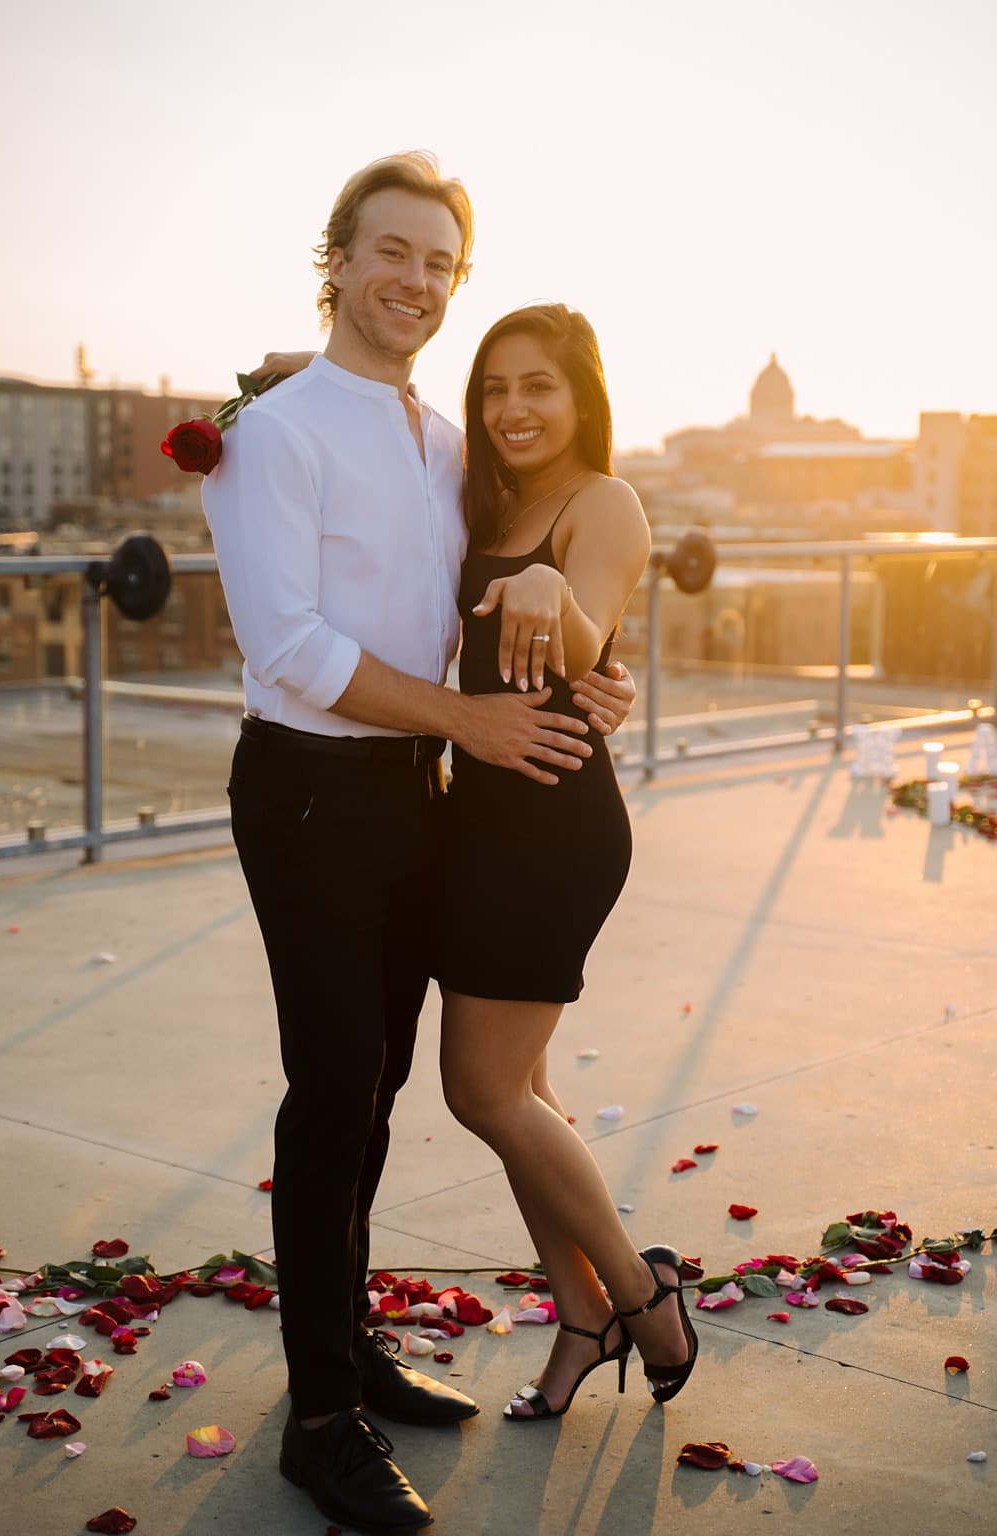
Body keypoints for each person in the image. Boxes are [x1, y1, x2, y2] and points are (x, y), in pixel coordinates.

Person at [200, 151, 638, 1533]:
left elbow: (491, 600)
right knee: (333, 1094)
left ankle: (349, 1344)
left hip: (415, 799)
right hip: (313, 796)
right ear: (337, 259)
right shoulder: (274, 436)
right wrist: (470, 718)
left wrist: (586, 667)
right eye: (390, 252)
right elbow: (292, 647)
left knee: (379, 1084)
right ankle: (318, 1420)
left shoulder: (439, 442)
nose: (414, 282)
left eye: (439, 262)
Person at [432, 303, 694, 1421]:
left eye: (536, 386)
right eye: (493, 388)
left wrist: (553, 597)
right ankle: (579, 1318)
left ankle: (641, 1293)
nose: (510, 409)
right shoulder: (489, 496)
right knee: (520, 1094)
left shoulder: (605, 502)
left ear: (581, 396)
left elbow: (590, 633)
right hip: (475, 818)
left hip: (551, 821)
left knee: (479, 1089)